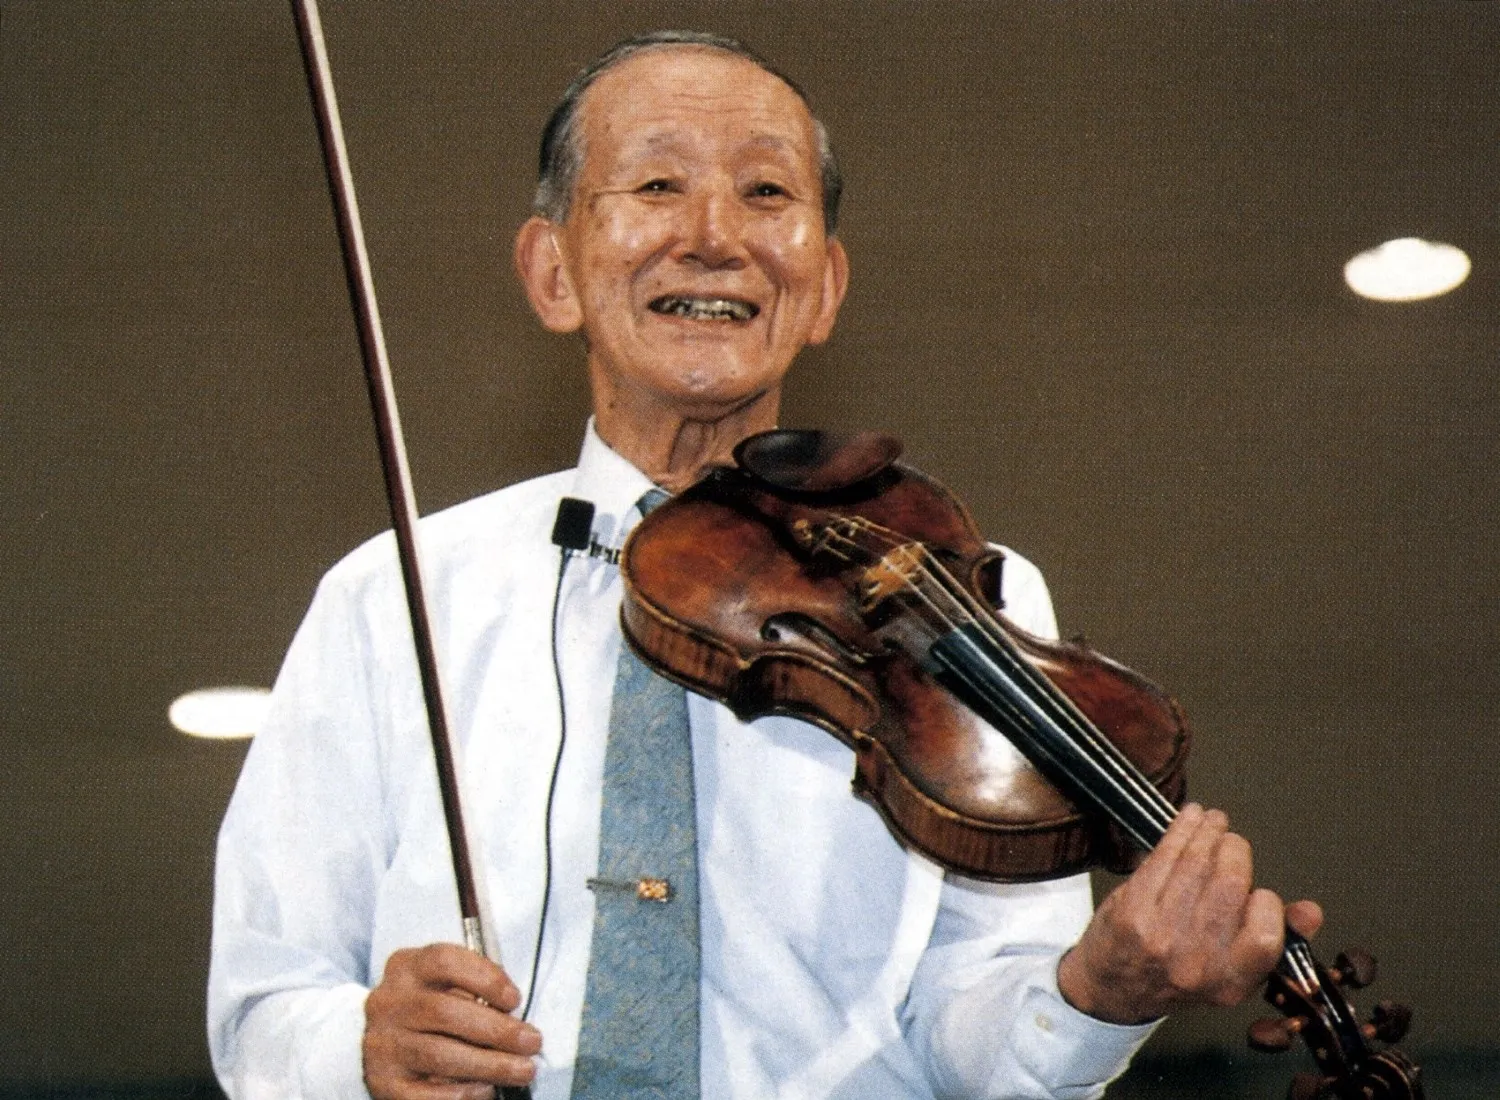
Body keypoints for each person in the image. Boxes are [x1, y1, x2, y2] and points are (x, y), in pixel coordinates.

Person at [208, 31, 1321, 1100]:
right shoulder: (392, 592)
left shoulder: (961, 590)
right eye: (653, 187)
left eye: (767, 193)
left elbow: (969, 1030)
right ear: (552, 273)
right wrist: (361, 1045)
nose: (713, 236)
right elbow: (263, 1001)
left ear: (824, 287)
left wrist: (1097, 992)